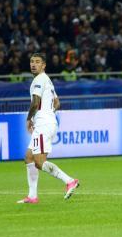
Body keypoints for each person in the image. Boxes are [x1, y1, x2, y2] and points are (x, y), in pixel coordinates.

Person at [18, 53, 79, 204]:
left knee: (39, 162)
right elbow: (57, 102)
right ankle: (32, 196)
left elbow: (35, 102)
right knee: (29, 157)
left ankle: (69, 181)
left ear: (43, 65)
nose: (33, 64)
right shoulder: (47, 80)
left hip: (43, 125)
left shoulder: (39, 79)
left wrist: (29, 119)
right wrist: (49, 113)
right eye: (32, 61)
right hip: (47, 122)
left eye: (37, 62)